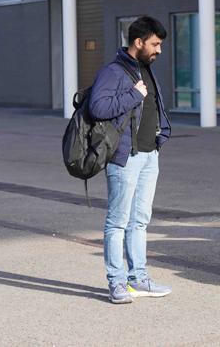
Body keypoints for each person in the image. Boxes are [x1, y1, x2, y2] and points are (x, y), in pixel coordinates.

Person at [89, 16, 172, 304]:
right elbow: (98, 107)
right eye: (155, 44)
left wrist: (161, 135)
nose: (159, 50)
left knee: (140, 221)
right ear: (139, 42)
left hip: (150, 155)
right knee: (118, 222)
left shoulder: (146, 68)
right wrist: (132, 95)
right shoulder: (114, 72)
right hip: (125, 158)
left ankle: (139, 278)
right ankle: (117, 282)